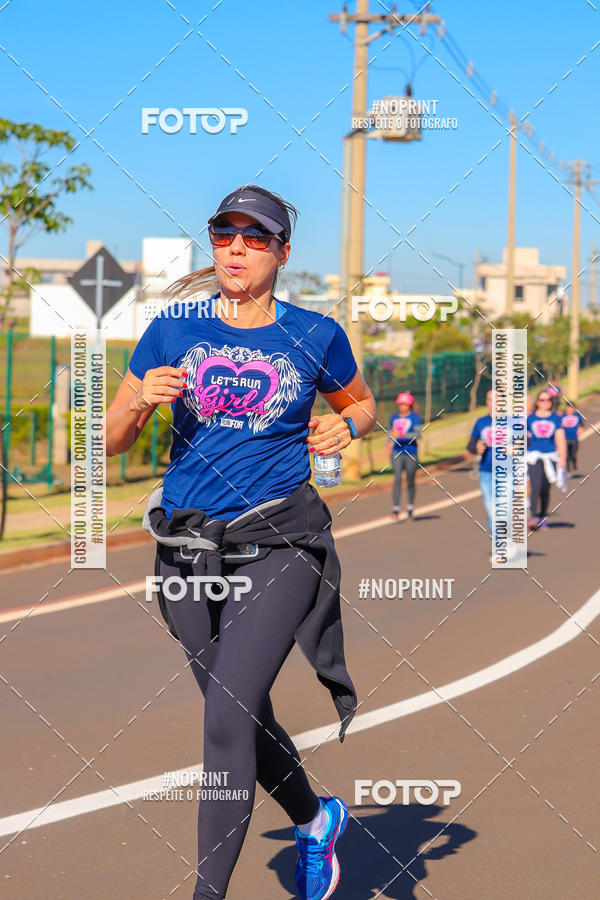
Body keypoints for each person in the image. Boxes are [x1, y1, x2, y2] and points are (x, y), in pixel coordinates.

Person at [105, 184, 376, 900]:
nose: (235, 247)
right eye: (224, 234)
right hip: (186, 551)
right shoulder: (172, 329)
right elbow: (104, 439)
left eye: (254, 237)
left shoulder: (315, 335)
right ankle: (317, 822)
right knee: (241, 714)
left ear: (281, 252)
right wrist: (139, 398)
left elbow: (362, 402)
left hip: (279, 543)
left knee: (225, 718)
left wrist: (349, 426)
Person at [526, 389, 567, 529]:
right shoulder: (530, 419)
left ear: (551, 402)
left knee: (545, 489)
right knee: (535, 486)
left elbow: (560, 439)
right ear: (537, 402)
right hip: (534, 457)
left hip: (551, 457)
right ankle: (534, 517)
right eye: (542, 400)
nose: (545, 402)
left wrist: (562, 458)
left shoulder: (555, 418)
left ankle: (543, 516)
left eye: (548, 400)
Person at [388, 392, 422, 520]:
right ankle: (395, 509)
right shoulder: (394, 417)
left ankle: (410, 506)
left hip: (411, 453)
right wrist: (389, 439)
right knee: (397, 478)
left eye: (405, 404)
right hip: (396, 452)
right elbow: (390, 433)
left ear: (409, 405)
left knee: (410, 480)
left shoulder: (415, 417)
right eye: (400, 404)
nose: (402, 407)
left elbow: (418, 435)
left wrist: (401, 435)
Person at [467, 389, 496, 535]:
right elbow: (470, 446)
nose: (494, 403)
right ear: (487, 402)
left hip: (507, 473)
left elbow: (526, 441)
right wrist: (477, 447)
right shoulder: (481, 422)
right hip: (486, 472)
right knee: (491, 509)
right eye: (490, 399)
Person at [561, 401, 583, 473]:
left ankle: (574, 466)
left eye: (572, 407)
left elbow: (581, 425)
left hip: (574, 438)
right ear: (567, 408)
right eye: (569, 407)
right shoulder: (562, 416)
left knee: (573, 454)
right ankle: (568, 470)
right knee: (566, 455)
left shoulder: (577, 415)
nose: (571, 409)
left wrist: (580, 430)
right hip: (565, 438)